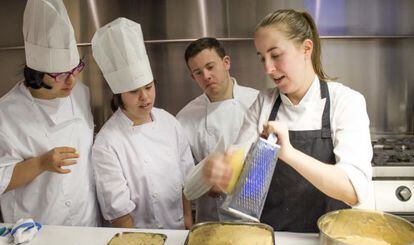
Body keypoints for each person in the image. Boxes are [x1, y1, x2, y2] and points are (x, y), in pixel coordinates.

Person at [184, 9, 373, 232]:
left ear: (306, 48)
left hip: (328, 242)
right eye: (262, 58)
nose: (268, 68)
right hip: (273, 240)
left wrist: (289, 153)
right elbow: (240, 179)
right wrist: (222, 175)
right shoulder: (263, 103)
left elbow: (352, 190)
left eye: (275, 55)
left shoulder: (346, 102)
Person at [0, 0, 99, 226]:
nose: (71, 80)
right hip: (37, 228)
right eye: (61, 74)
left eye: (75, 69)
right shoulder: (5, 114)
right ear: (36, 73)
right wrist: (40, 164)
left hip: (87, 223)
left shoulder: (80, 94)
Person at [91, 18, 194, 229]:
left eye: (148, 87)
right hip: (138, 240)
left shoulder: (168, 122)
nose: (145, 97)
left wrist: (187, 223)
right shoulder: (107, 142)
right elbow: (119, 213)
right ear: (119, 94)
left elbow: (186, 181)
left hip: (178, 232)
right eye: (134, 91)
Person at [176, 37, 259, 222]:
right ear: (192, 77)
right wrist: (206, 182)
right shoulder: (184, 118)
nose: (206, 76)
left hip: (257, 215)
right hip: (211, 219)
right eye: (198, 72)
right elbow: (183, 178)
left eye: (210, 67)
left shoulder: (257, 102)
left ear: (226, 62)